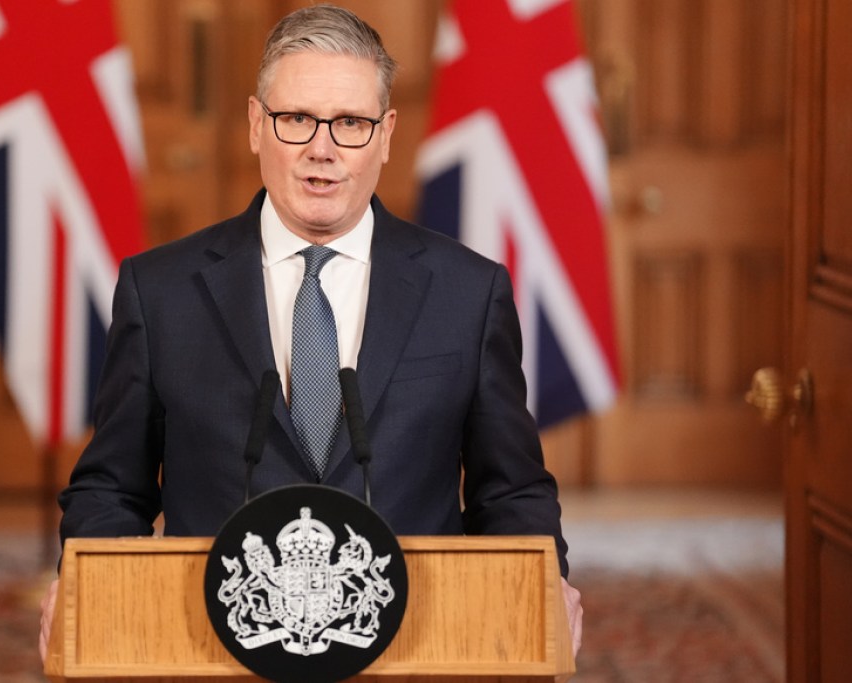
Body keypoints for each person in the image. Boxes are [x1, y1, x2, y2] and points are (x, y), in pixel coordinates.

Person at [40, 3, 582, 661]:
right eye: (296, 119)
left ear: (386, 135)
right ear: (255, 125)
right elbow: (111, 487)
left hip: (419, 644)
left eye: (350, 123)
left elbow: (511, 489)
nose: (321, 150)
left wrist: (543, 577)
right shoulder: (161, 292)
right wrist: (91, 583)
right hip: (213, 645)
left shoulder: (468, 293)